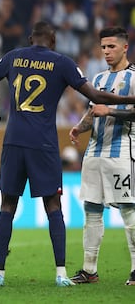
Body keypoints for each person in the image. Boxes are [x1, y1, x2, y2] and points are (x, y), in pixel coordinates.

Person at [0, 21, 135, 287]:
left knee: (7, 206)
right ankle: (61, 273)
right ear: (53, 40)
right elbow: (95, 95)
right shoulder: (62, 62)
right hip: (44, 144)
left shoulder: (13, 57)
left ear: (30, 38)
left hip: (14, 142)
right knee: (53, 206)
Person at [69, 26, 135, 286]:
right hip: (94, 151)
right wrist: (80, 126)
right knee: (92, 208)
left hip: (122, 152)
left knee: (129, 209)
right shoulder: (97, 80)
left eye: (112, 47)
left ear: (125, 47)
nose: (106, 52)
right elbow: (92, 111)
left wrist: (109, 112)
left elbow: (112, 111)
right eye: (103, 47)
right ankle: (89, 270)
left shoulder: (134, 77)